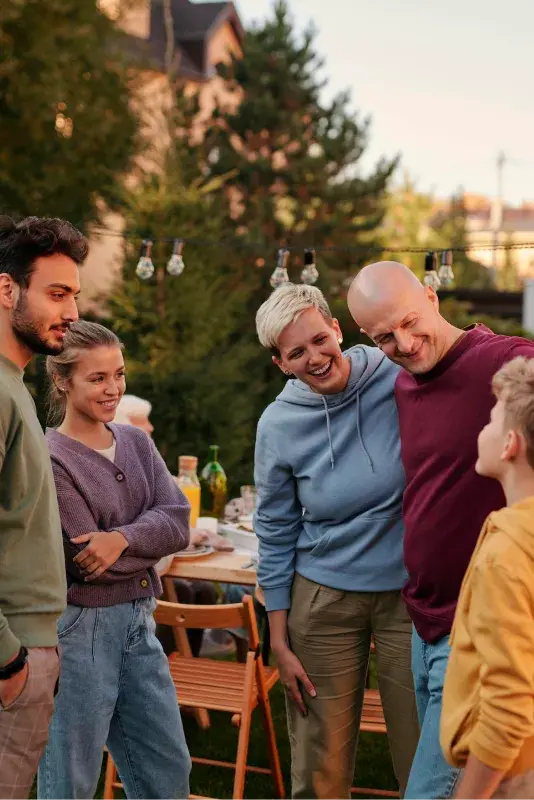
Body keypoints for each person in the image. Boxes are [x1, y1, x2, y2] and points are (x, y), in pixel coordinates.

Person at [347, 261, 534, 800]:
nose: (404, 343)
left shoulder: (502, 360)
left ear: (431, 295)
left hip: (476, 620)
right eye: (384, 337)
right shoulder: (404, 383)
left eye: (409, 322)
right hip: (422, 619)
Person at [254, 283, 419, 799]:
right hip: (321, 599)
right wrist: (278, 639)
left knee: (425, 752)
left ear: (338, 331)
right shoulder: (278, 425)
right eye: (296, 352)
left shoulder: (397, 376)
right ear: (282, 364)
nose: (315, 357)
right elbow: (275, 531)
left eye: (320, 340)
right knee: (318, 763)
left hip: (408, 596)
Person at [38, 321, 191, 800]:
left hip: (139, 625)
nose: (113, 389)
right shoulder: (51, 458)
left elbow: (178, 522)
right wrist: (145, 543)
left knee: (169, 770)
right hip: (81, 630)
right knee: (71, 781)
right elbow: (87, 562)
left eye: (119, 374)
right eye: (97, 378)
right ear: (63, 381)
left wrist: (121, 539)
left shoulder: (137, 443)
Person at [0, 215, 85, 800]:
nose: (73, 312)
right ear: (6, 290)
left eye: (74, 295)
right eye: (56, 294)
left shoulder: (15, 386)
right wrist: (8, 663)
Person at [440, 356, 534, 800]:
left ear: (509, 445)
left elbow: (509, 703)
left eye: (490, 420)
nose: (481, 430)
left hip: (511, 777)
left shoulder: (506, 552)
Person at [114, 392, 221, 657]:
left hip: (148, 576)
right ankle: (173, 671)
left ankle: (186, 671)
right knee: (183, 590)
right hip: (132, 590)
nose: (151, 428)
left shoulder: (143, 468)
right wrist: (183, 535)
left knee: (202, 589)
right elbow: (144, 545)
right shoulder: (122, 477)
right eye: (143, 422)